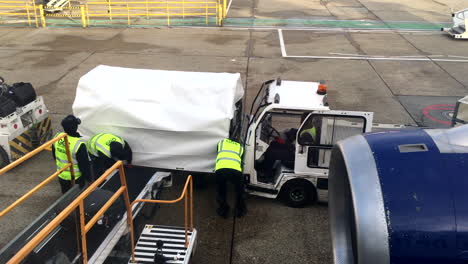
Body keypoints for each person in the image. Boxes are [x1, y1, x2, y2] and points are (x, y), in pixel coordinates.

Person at [52, 115, 91, 194]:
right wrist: (89, 179)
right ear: (76, 127)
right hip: (76, 178)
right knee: (78, 198)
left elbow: (54, 154)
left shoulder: (57, 137)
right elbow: (84, 165)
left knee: (66, 196)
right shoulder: (79, 144)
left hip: (61, 174)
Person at [215, 138, 246, 218]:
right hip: (236, 171)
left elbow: (218, 151)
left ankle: (224, 211)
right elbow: (241, 158)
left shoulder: (222, 142)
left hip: (221, 169)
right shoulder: (240, 147)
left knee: (221, 190)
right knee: (239, 191)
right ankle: (240, 211)